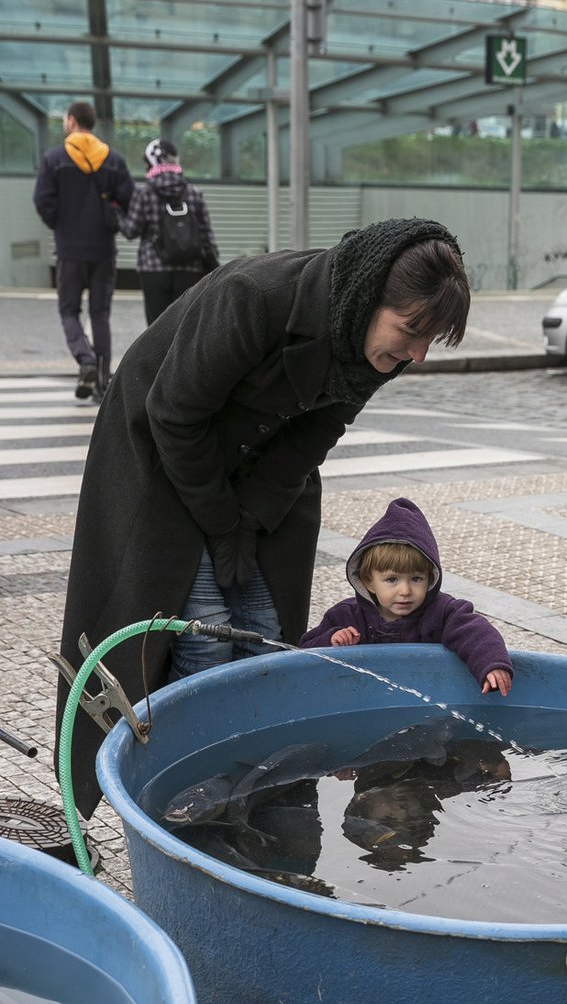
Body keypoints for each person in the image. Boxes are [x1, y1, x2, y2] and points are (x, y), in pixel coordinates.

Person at [55, 218, 470, 819]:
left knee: (268, 625)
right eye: (410, 331)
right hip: (164, 451)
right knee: (196, 624)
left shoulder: (378, 347)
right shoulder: (252, 297)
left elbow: (321, 427)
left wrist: (253, 517)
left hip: (266, 467)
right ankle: (174, 789)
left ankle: (253, 788)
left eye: (429, 340)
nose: (417, 354)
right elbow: (174, 414)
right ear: (369, 294)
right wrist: (223, 526)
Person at [301, 497, 513, 696]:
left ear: (431, 578)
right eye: (392, 580)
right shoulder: (347, 616)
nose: (405, 591)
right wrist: (330, 640)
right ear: (368, 581)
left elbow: (476, 633)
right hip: (361, 695)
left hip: (429, 694)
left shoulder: (443, 612)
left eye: (416, 579)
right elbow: (302, 654)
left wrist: (491, 664)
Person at [32, 101, 134, 400]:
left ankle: (85, 358)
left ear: (72, 121)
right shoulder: (113, 160)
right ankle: (102, 383)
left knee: (68, 310)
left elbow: (43, 201)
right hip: (103, 249)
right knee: (100, 313)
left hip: (70, 249)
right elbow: (130, 201)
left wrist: (60, 224)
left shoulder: (55, 159)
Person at [118, 137, 220, 325]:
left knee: (156, 330)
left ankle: (159, 356)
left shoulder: (144, 192)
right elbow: (207, 235)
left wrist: (116, 213)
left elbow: (131, 231)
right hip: (189, 269)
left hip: (153, 268)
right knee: (185, 327)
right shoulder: (193, 192)